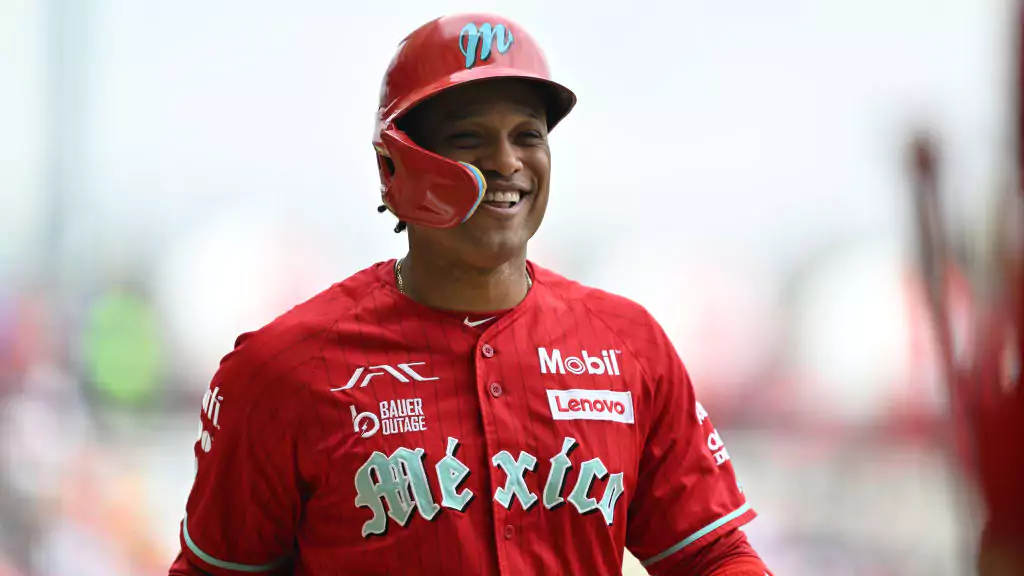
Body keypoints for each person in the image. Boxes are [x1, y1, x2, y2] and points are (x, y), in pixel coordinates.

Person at [168, 13, 772, 576]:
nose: (507, 162)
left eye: (527, 135)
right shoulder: (283, 370)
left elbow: (714, 555)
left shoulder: (627, 347)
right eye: (469, 138)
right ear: (391, 167)